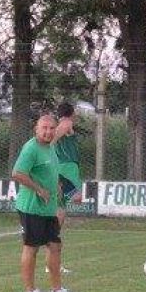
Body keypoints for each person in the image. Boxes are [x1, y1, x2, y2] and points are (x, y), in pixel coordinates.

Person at [11, 114, 78, 292]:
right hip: (31, 208)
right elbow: (17, 173)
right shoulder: (31, 149)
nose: (48, 132)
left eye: (51, 128)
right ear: (37, 129)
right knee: (31, 248)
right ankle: (29, 291)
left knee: (55, 246)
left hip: (48, 209)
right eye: (44, 128)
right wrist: (39, 189)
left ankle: (56, 290)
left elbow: (52, 172)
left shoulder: (50, 148)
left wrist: (58, 187)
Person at [50, 101, 83, 274]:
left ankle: (53, 263)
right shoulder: (66, 123)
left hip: (65, 168)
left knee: (60, 209)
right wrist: (48, 149)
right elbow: (52, 139)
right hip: (66, 169)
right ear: (72, 113)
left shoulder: (62, 123)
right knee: (76, 198)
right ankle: (46, 231)